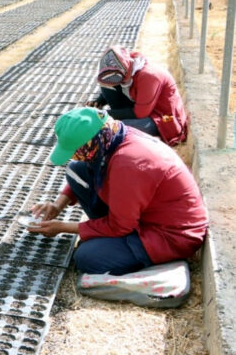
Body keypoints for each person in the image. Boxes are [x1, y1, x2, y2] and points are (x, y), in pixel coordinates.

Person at [29, 108, 207, 275]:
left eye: (77, 151)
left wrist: (62, 228)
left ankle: (139, 255)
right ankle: (111, 240)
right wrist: (57, 205)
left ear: (94, 141)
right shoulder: (114, 136)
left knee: (86, 257)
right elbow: (87, 168)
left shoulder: (128, 163)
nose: (75, 156)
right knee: (78, 169)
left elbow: (120, 225)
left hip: (170, 235)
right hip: (144, 214)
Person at [84, 45, 188, 146]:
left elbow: (140, 113)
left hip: (163, 118)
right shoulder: (128, 68)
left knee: (116, 129)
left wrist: (103, 114)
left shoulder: (149, 76)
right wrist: (99, 101)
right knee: (106, 88)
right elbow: (112, 86)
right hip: (144, 108)